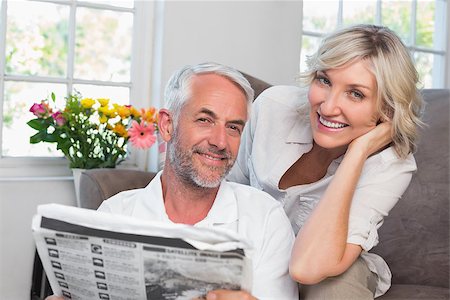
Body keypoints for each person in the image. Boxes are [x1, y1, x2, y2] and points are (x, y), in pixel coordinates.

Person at [45, 62, 299, 300]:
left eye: (233, 127)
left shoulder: (265, 218)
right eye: (205, 120)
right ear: (167, 125)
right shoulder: (115, 213)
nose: (220, 142)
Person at [227, 24, 424, 299]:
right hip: (252, 249)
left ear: (387, 109)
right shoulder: (274, 106)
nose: (329, 107)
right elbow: (227, 192)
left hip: (326, 265)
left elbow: (307, 268)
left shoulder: (392, 166)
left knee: (335, 286)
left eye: (356, 94)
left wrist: (358, 153)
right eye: (324, 80)